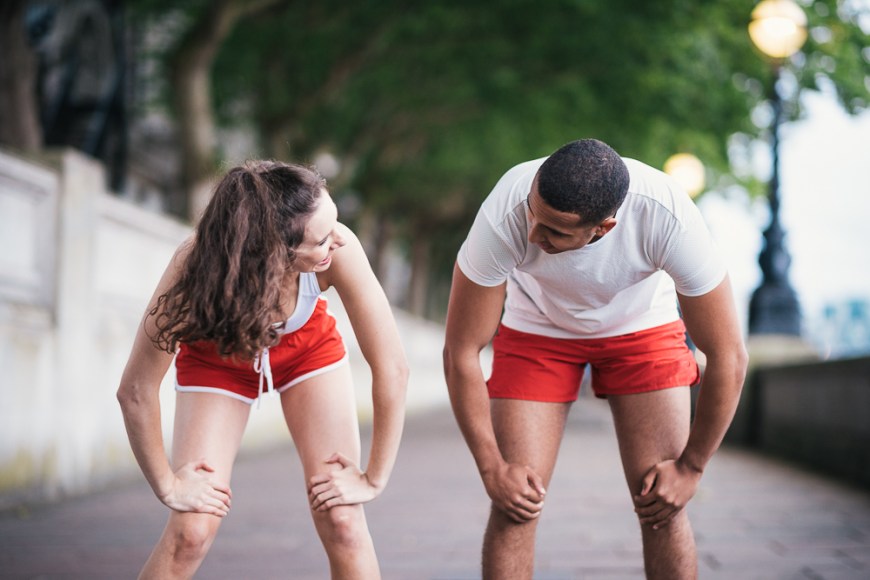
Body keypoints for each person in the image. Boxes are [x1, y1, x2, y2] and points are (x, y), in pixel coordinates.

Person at [443, 139, 747, 579]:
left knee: (661, 505)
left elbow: (728, 356)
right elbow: (461, 352)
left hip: (643, 326)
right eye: (534, 214)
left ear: (603, 228)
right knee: (515, 503)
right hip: (538, 329)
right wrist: (492, 469)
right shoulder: (507, 210)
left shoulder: (667, 216)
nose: (532, 235)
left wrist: (691, 468)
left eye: (554, 231)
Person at [117, 161, 407, 579]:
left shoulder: (339, 247)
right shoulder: (196, 264)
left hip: (307, 351)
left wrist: (374, 478)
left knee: (343, 520)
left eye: (335, 224)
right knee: (192, 529)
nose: (336, 241)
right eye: (320, 239)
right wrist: (167, 484)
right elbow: (136, 391)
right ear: (274, 251)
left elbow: (393, 368)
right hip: (216, 357)